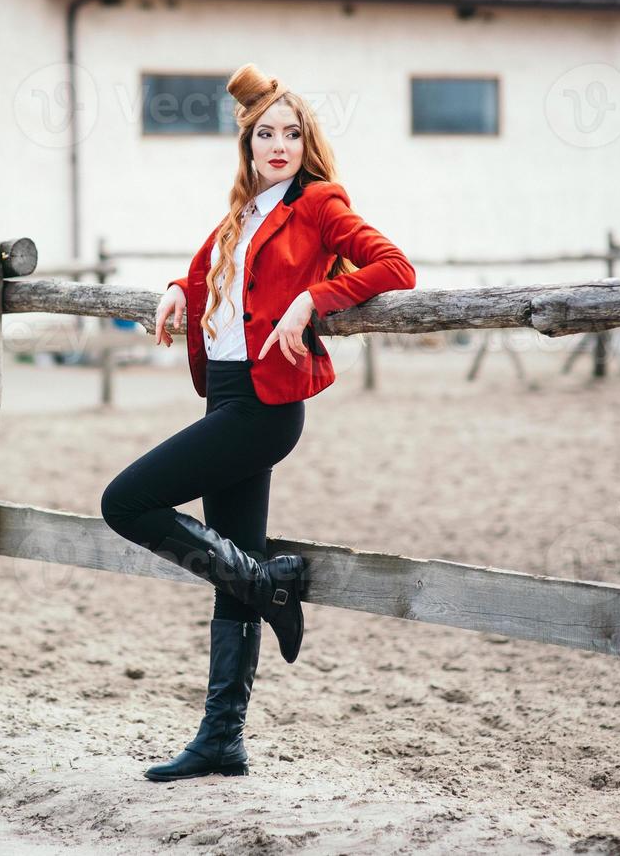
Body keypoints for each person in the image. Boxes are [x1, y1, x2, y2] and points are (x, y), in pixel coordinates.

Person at [99, 62, 416, 782]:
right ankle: (222, 739)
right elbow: (208, 269)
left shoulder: (317, 203)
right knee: (228, 571)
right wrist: (181, 289)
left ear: (308, 145)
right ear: (246, 147)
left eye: (292, 133)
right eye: (265, 133)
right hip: (226, 397)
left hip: (266, 407)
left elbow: (396, 268)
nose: (278, 144)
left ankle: (269, 583)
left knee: (125, 502)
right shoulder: (242, 214)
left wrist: (316, 300)